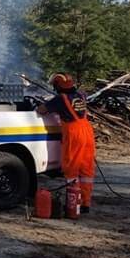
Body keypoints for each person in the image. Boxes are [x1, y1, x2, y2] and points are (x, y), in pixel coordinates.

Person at [36, 72, 96, 213]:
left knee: (71, 166)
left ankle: (73, 203)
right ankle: (85, 203)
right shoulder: (80, 95)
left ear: (58, 85)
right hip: (87, 132)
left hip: (74, 133)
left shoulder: (59, 99)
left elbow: (41, 110)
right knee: (86, 169)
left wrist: (44, 104)